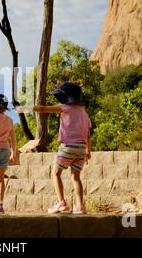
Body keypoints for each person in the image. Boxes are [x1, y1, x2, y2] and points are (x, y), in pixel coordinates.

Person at [16, 82, 91, 214]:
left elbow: (43, 109)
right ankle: (80, 207)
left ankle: (62, 202)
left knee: (56, 173)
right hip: (81, 149)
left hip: (67, 146)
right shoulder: (84, 112)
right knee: (76, 178)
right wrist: (88, 151)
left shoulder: (64, 107)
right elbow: (88, 134)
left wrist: (25, 108)